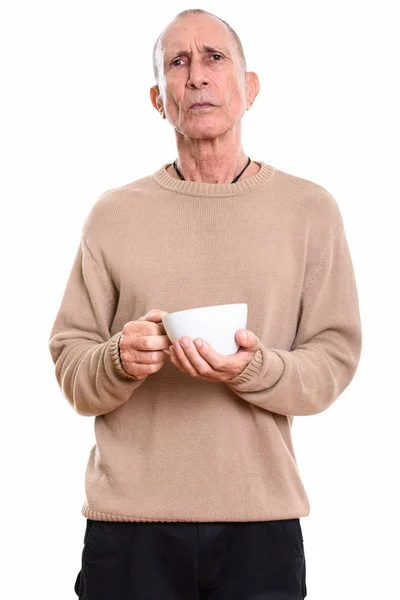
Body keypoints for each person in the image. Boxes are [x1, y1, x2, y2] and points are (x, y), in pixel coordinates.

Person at [48, 8, 362, 600]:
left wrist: (254, 367)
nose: (196, 75)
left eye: (214, 58)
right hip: (128, 526)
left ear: (249, 88)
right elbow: (70, 363)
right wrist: (119, 358)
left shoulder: (309, 210)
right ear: (157, 99)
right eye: (178, 62)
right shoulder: (114, 215)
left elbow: (334, 359)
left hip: (260, 528)